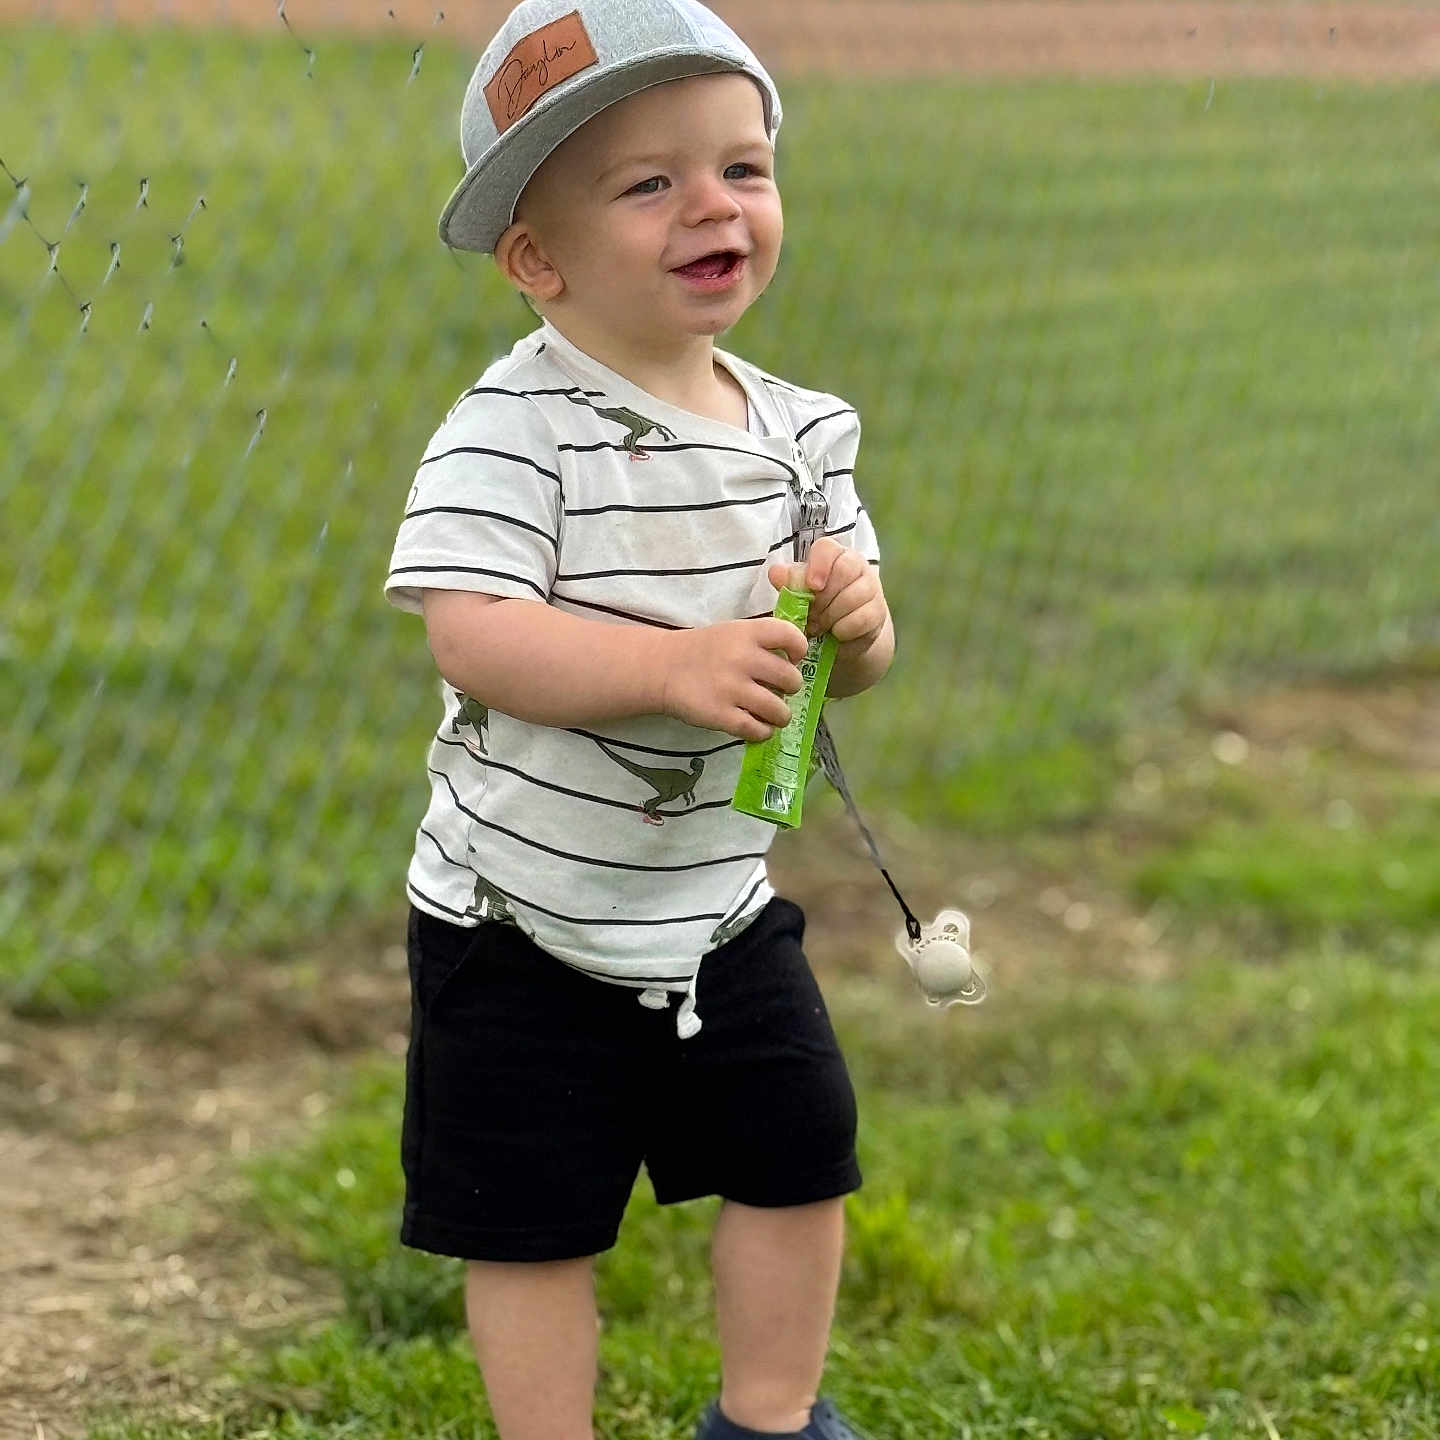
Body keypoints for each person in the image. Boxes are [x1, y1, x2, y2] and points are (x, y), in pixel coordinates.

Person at [384, 3, 894, 1437]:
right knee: (530, 1223)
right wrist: (670, 672)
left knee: (800, 1159)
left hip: (719, 909)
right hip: (518, 921)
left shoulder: (804, 433)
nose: (713, 206)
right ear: (536, 261)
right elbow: (473, 633)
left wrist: (859, 628)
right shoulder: (513, 430)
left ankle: (770, 1421)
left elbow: (855, 668)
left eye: (743, 168)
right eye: (649, 182)